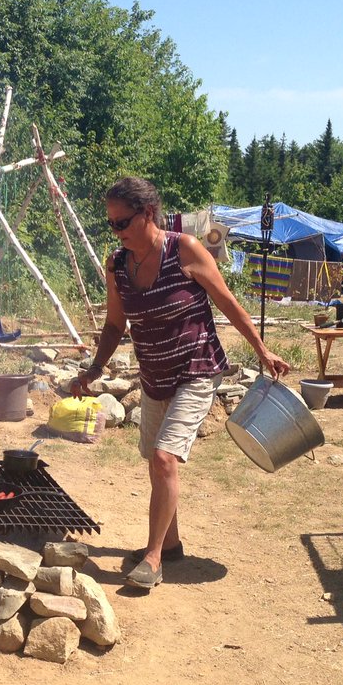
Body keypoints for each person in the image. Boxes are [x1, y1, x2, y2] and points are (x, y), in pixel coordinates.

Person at [70, 177, 290, 590]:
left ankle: (153, 559)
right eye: (111, 225)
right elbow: (116, 323)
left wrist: (262, 350)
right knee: (154, 459)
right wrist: (95, 368)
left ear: (147, 213)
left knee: (165, 458)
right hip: (155, 374)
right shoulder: (117, 265)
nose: (116, 232)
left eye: (122, 223)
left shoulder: (184, 249)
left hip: (197, 367)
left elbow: (227, 301)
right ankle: (169, 545)